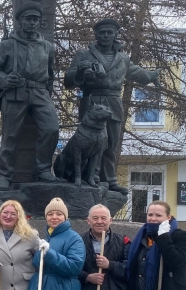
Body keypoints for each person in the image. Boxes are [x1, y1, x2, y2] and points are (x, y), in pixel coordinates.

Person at [63, 19, 159, 194]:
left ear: (115, 35)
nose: (105, 36)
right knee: (90, 142)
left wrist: (152, 76)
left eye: (109, 32)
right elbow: (68, 81)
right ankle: (90, 176)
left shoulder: (123, 58)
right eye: (102, 32)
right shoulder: (83, 55)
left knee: (111, 144)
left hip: (113, 103)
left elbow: (136, 72)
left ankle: (109, 179)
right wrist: (79, 71)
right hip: (92, 101)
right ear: (96, 35)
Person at [0, 2, 60, 188]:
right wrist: (5, 79)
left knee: (51, 128)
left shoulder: (47, 47)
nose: (32, 22)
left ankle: (42, 169)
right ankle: (3, 175)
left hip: (40, 92)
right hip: (15, 92)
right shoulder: (7, 45)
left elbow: (50, 75)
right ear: (20, 22)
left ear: (39, 22)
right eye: (28, 19)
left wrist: (46, 96)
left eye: (35, 19)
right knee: (10, 135)